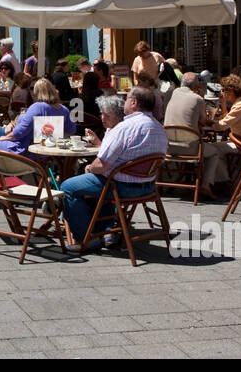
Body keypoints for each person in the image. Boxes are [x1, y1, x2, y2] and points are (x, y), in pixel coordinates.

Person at [61, 89, 168, 251]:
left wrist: (89, 168)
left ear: (134, 103)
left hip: (120, 186)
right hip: (148, 187)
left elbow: (101, 165)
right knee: (98, 182)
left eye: (127, 98)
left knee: (68, 187)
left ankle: (87, 238)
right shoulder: (160, 129)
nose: (124, 101)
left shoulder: (125, 128)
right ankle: (105, 231)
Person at [203, 74, 241, 199]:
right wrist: (223, 105)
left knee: (213, 150)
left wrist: (208, 122)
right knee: (215, 149)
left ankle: (223, 182)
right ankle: (222, 181)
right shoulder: (240, 103)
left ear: (232, 91)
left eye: (225, 91)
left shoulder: (240, 106)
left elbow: (222, 126)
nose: (223, 93)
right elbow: (227, 119)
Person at [0, 77, 75, 157]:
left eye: (34, 89)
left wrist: (5, 137)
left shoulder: (37, 107)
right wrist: (54, 136)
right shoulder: (64, 109)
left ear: (37, 92)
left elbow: (20, 132)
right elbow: (71, 131)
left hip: (25, 151)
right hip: (47, 154)